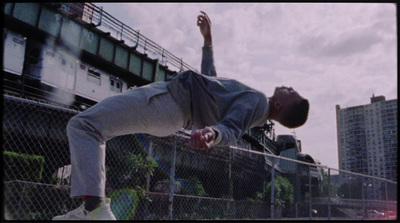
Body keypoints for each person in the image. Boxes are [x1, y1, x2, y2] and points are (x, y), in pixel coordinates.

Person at [53, 11, 309, 220]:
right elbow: (209, 81)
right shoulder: (255, 108)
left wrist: (212, 133)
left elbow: (230, 130)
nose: (288, 86)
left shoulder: (256, 100)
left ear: (279, 105)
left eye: (291, 92)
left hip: (168, 101)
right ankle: (90, 209)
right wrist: (208, 42)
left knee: (84, 125)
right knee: (91, 129)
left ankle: (95, 212)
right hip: (170, 107)